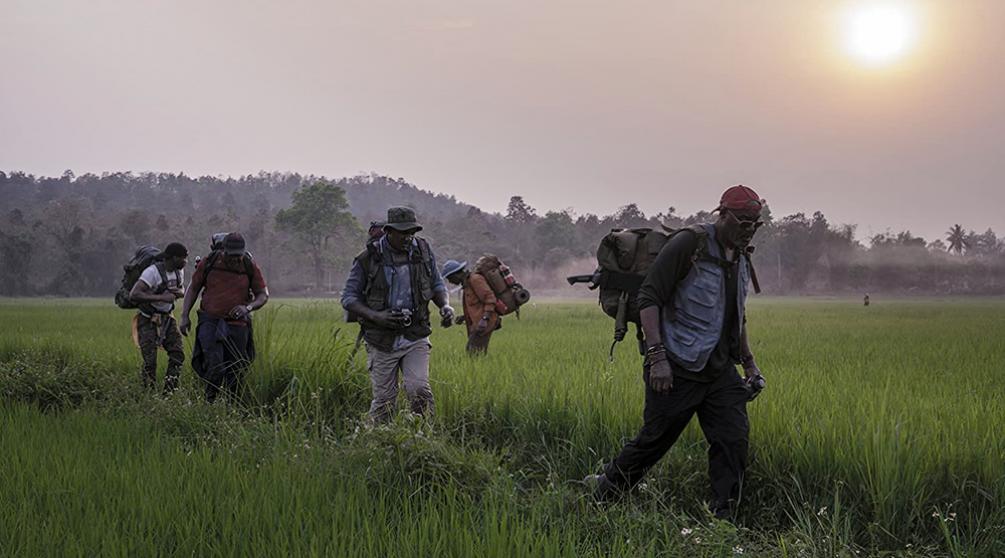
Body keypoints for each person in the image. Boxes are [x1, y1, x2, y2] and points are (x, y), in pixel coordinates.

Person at [586, 185, 767, 520]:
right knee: (654, 441)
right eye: (743, 222)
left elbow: (736, 313)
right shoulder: (690, 244)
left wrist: (750, 365)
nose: (748, 229)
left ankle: (723, 519)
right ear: (722, 214)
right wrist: (657, 359)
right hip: (677, 365)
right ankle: (603, 493)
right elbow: (649, 298)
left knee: (733, 442)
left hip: (720, 370)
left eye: (755, 224)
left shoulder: (741, 255)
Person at [341, 206, 455, 423]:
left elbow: (436, 284)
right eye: (402, 232)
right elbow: (348, 299)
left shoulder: (422, 250)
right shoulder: (368, 259)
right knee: (384, 400)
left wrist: (445, 306)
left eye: (411, 232)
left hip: (416, 334)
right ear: (388, 231)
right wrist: (377, 316)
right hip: (381, 339)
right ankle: (378, 442)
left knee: (419, 389)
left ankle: (423, 437)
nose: (408, 237)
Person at [179, 233, 269, 402]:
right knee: (215, 366)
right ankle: (209, 403)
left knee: (236, 370)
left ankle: (232, 406)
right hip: (210, 321)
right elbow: (193, 289)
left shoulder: (249, 266)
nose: (235, 259)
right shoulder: (209, 263)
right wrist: (184, 316)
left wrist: (247, 308)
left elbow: (263, 295)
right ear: (223, 251)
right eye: (231, 255)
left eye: (238, 256)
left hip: (238, 325)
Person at [128, 242, 189, 393]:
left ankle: (169, 393)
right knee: (150, 362)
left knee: (178, 355)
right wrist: (161, 297)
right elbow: (134, 294)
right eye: (183, 258)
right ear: (173, 257)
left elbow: (182, 289)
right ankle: (148, 396)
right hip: (148, 319)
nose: (185, 261)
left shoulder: (178, 271)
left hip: (168, 319)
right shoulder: (152, 272)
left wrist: (177, 293)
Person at [442, 259, 500, 355]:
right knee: (475, 353)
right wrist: (464, 317)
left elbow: (490, 298)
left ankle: (480, 369)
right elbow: (477, 305)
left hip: (484, 323)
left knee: (473, 353)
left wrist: (485, 319)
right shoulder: (467, 284)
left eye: (450, 278)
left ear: (456, 274)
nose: (450, 281)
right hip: (478, 324)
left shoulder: (475, 280)